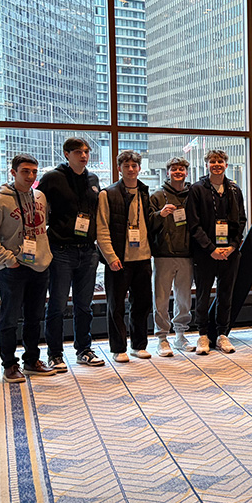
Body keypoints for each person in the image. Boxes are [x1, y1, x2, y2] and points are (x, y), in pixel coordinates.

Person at [0, 155, 56, 382]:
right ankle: (10, 365)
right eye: (25, 171)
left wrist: (45, 255)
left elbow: (42, 227)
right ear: (13, 172)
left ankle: (31, 360)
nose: (30, 176)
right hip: (13, 268)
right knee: (10, 319)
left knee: (34, 317)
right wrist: (8, 259)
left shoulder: (40, 197)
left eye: (34, 171)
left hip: (39, 267)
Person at [38, 137, 103, 369]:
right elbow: (36, 206)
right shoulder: (52, 178)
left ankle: (84, 349)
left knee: (84, 305)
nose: (83, 156)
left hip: (88, 251)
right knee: (57, 304)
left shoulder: (93, 179)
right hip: (61, 250)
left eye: (86, 151)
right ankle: (55, 353)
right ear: (66, 154)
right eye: (78, 152)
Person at [187, 149, 247, 355]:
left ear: (226, 165)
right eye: (212, 161)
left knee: (225, 294)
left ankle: (222, 334)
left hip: (229, 252)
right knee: (203, 295)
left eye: (220, 161)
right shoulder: (197, 189)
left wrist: (232, 246)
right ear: (207, 165)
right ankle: (203, 335)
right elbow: (193, 224)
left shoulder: (234, 190)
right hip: (205, 253)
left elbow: (241, 221)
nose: (216, 165)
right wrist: (210, 248)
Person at [96, 150, 153, 363]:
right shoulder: (108, 194)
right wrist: (110, 257)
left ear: (139, 168)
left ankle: (139, 345)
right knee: (116, 306)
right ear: (119, 168)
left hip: (143, 257)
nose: (130, 169)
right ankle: (118, 348)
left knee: (142, 304)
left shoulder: (144, 192)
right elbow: (102, 228)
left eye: (134, 166)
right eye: (126, 165)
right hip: (119, 259)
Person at [148, 157, 195, 356]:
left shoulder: (193, 195)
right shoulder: (157, 196)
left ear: (186, 172)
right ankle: (162, 338)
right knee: (161, 298)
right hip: (163, 254)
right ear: (167, 172)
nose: (178, 172)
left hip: (187, 254)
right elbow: (148, 224)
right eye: (174, 169)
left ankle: (180, 336)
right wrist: (161, 214)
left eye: (181, 169)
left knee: (184, 298)